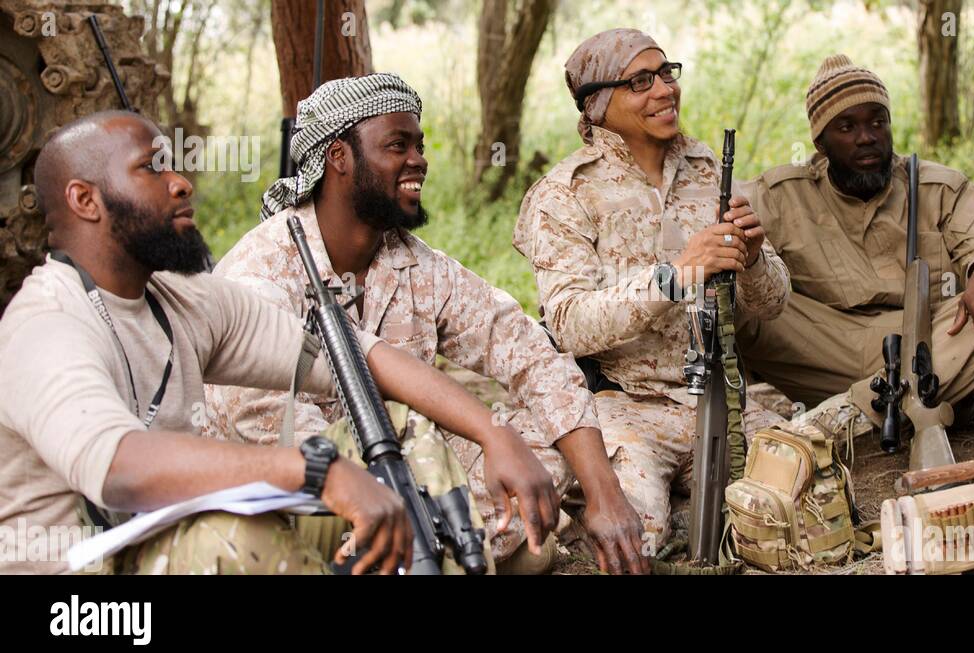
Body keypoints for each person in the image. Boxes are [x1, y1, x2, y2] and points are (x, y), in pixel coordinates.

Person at [0, 110, 560, 574]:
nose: (181, 182)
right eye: (151, 168)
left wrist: (493, 434)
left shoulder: (180, 300)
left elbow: (360, 357)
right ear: (84, 200)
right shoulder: (45, 324)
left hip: (166, 537)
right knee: (232, 536)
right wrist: (315, 471)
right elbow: (118, 466)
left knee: (401, 433)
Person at [206, 73, 647, 574]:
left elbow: (529, 351)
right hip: (297, 499)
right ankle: (453, 547)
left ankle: (445, 546)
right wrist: (391, 495)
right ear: (338, 158)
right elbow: (268, 435)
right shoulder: (261, 272)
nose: (419, 160)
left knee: (544, 439)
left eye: (419, 144)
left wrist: (603, 495)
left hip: (409, 468)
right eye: (397, 145)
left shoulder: (416, 264)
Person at [513, 29, 792, 547]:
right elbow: (570, 323)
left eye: (667, 73)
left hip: (718, 399)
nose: (665, 90)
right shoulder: (563, 194)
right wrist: (675, 275)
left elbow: (772, 304)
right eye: (641, 81)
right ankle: (656, 508)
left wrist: (753, 259)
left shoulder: (707, 170)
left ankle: (699, 512)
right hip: (625, 408)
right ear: (598, 104)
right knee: (636, 535)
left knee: (806, 498)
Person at [739, 54, 974, 431]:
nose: (867, 138)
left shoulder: (936, 187)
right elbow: (720, 220)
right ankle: (894, 410)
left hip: (923, 349)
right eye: (847, 127)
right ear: (821, 142)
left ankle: (844, 418)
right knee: (735, 299)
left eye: (877, 122)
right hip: (822, 347)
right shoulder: (782, 194)